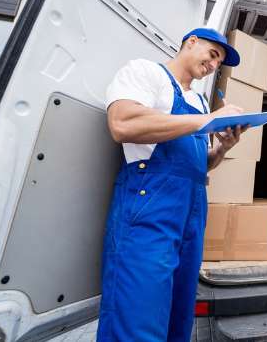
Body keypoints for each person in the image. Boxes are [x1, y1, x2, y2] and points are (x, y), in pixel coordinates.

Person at [97, 28, 247, 341]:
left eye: (219, 63)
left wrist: (222, 148)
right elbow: (122, 123)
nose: (213, 65)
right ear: (191, 43)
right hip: (148, 207)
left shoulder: (200, 102)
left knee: (178, 318)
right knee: (137, 315)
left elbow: (200, 163)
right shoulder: (145, 72)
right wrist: (206, 121)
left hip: (191, 212)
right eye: (212, 54)